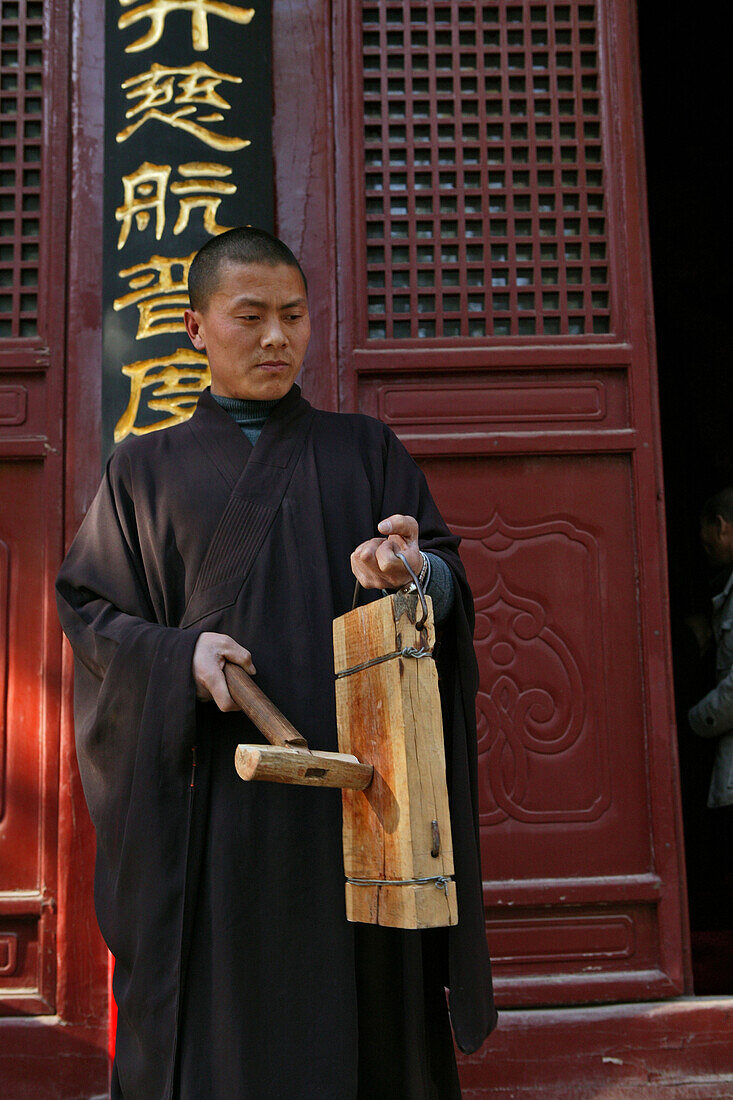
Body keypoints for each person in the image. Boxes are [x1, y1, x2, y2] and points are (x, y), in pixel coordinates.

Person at [56, 227, 496, 1099]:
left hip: (362, 808)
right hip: (218, 813)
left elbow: (446, 580)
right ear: (195, 326)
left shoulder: (365, 451)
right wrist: (181, 655)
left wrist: (416, 575)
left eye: (292, 316)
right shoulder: (142, 470)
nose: (274, 338)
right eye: (248, 316)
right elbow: (91, 615)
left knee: (366, 1028)